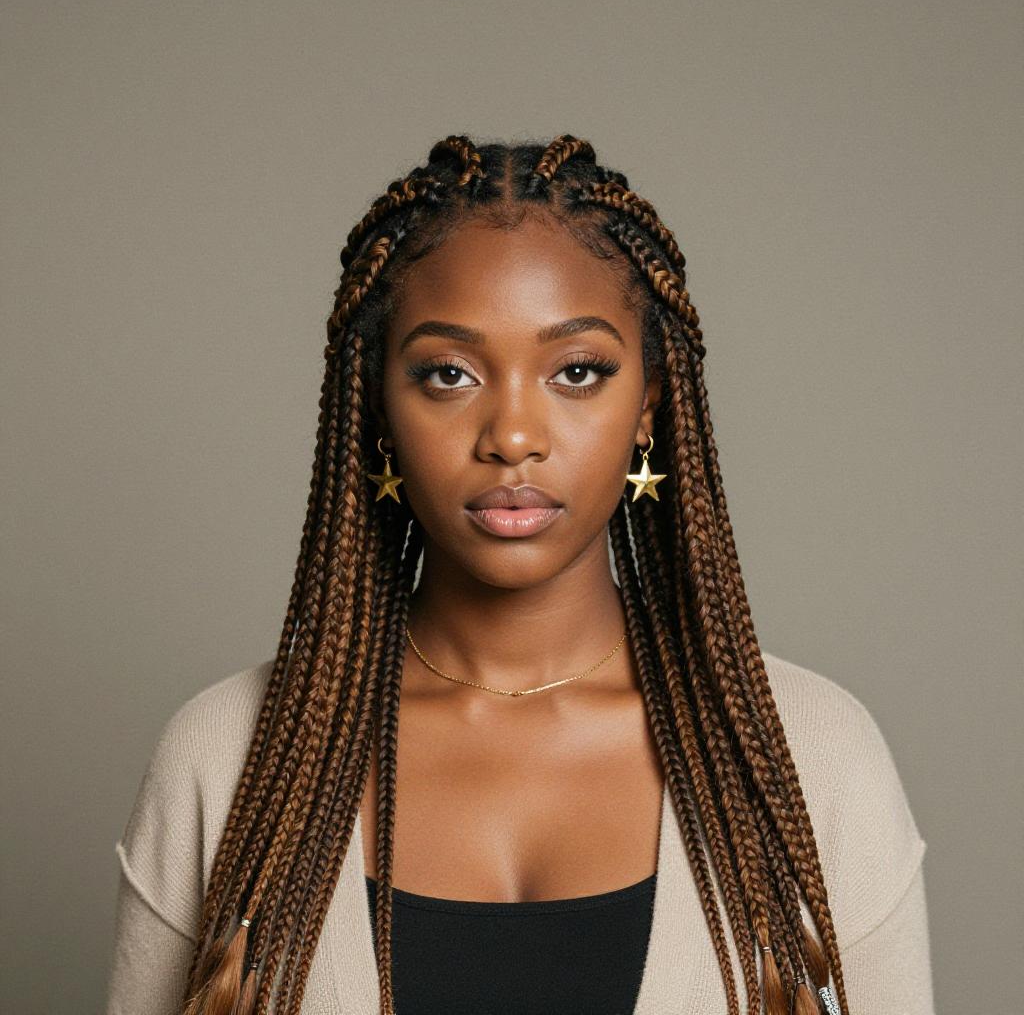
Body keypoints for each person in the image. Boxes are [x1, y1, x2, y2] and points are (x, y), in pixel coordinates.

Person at [104, 135, 934, 1015]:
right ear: (379, 402)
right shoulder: (228, 761)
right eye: (449, 374)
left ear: (648, 401)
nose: (511, 434)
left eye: (577, 372)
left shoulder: (808, 760)